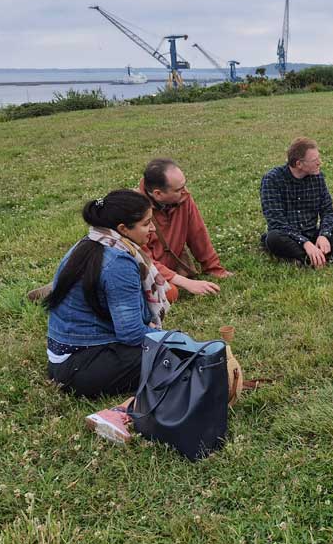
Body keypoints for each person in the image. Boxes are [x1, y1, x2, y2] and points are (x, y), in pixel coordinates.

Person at [45, 190, 170, 440]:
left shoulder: (91, 243)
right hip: (82, 368)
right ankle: (119, 413)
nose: (153, 229)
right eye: (146, 223)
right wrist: (169, 338)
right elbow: (132, 333)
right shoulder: (118, 263)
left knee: (170, 348)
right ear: (123, 228)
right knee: (177, 358)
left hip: (63, 360)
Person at [260, 137, 333, 268]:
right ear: (299, 164)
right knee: (273, 239)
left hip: (312, 234)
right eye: (315, 160)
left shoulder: (317, 177)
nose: (320, 162)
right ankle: (320, 257)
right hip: (288, 237)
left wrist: (324, 235)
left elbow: (327, 211)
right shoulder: (272, 180)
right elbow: (276, 222)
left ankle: (308, 258)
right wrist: (305, 243)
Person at [139, 158, 230, 297]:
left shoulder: (183, 197)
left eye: (184, 186)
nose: (185, 191)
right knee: (171, 294)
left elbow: (197, 234)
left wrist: (213, 268)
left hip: (172, 268)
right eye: (178, 189)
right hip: (149, 274)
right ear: (158, 193)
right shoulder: (134, 210)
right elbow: (144, 262)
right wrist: (186, 283)